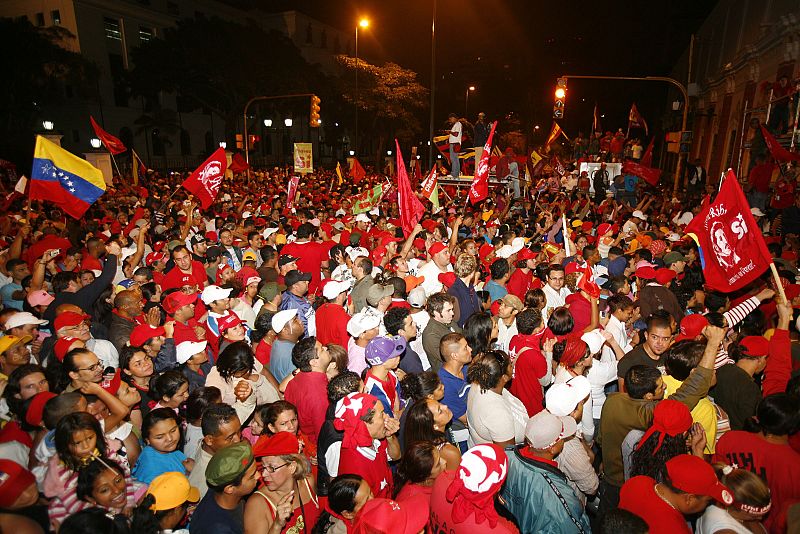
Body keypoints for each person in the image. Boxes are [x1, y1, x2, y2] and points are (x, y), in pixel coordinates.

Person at [713, 393, 800, 533]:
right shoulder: (795, 465)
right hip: (767, 527)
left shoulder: (730, 439)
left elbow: (715, 479)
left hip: (726, 516)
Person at [501, 410, 591, 533]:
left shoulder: (505, 457)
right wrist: (575, 508)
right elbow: (574, 528)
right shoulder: (558, 497)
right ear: (552, 448)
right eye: (562, 437)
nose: (564, 440)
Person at [619, 454, 733, 534]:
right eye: (708, 501)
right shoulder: (676, 530)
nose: (710, 504)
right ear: (689, 499)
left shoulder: (637, 482)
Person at [245, 432, 323, 534]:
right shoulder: (257, 504)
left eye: (271, 468)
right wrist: (277, 525)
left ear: (292, 467)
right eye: (263, 467)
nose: (263, 474)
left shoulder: (308, 482)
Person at [333, 392, 401, 499]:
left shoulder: (375, 438)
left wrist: (390, 437)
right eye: (382, 414)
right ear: (364, 424)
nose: (387, 417)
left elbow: (396, 456)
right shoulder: (354, 470)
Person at [190, 441, 259, 534]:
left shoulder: (218, 489)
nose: (258, 476)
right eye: (252, 476)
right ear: (230, 488)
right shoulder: (219, 529)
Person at [696, 464, 772, 534]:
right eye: (753, 516)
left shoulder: (720, 502)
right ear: (730, 505)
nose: (760, 518)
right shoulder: (724, 531)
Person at [187, 403, 242, 499]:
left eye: (238, 432)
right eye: (230, 437)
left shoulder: (212, 447)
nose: (237, 440)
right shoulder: (205, 478)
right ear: (209, 440)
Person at [284, 336, 332, 444]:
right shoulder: (321, 395)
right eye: (321, 349)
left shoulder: (296, 379)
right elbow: (323, 432)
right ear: (314, 362)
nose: (325, 348)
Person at [422, 294, 462, 374]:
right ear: (436, 313)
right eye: (448, 310)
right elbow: (447, 357)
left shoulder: (449, 321)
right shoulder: (431, 335)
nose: (452, 313)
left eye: (452, 309)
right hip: (447, 374)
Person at [447, 113, 463, 178]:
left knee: (453, 159)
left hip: (454, 143)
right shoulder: (457, 124)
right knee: (455, 159)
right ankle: (457, 173)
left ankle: (454, 173)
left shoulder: (458, 124)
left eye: (451, 119)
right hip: (455, 143)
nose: (450, 120)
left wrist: (449, 132)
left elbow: (456, 134)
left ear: (454, 118)